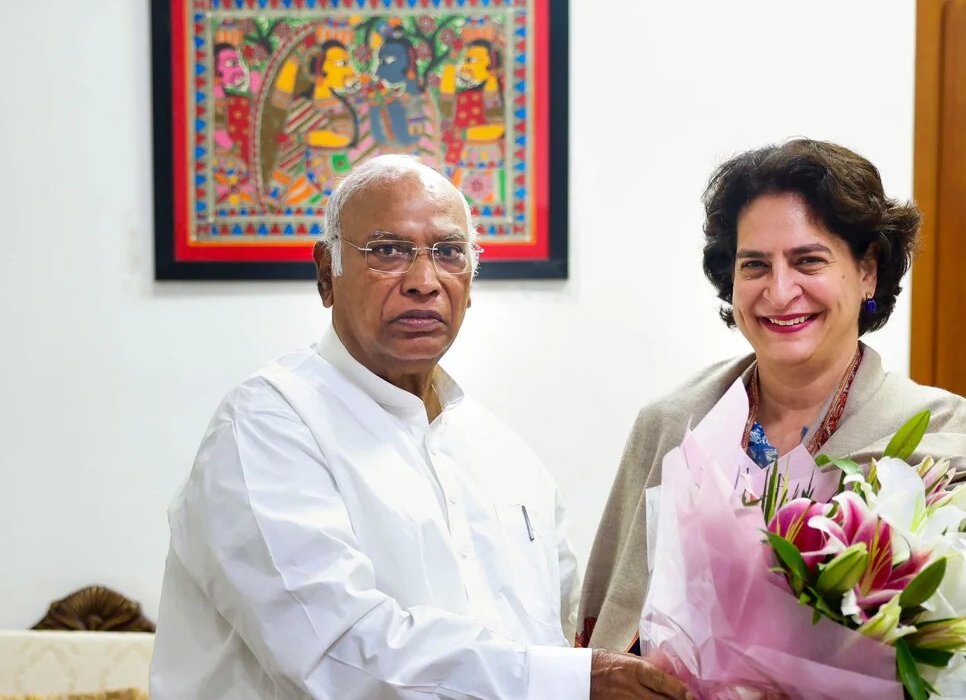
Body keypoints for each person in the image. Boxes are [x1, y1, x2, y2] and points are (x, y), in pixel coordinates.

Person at [576, 139, 966, 699]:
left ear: (867, 271)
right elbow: (607, 632)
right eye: (754, 265)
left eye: (808, 261)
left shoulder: (938, 431)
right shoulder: (673, 425)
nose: (779, 290)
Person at [150, 155, 693, 700]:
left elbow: (554, 634)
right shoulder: (269, 425)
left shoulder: (505, 457)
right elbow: (336, 655)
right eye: (387, 251)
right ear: (325, 274)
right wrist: (572, 680)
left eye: (449, 253)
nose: (424, 281)